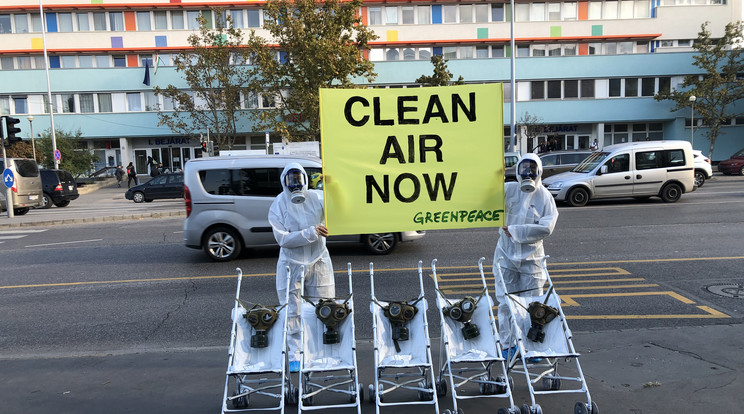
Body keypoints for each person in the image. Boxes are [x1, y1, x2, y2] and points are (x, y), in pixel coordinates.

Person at [268, 163, 335, 373]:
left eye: (298, 178)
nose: (295, 184)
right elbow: (283, 239)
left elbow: (338, 209)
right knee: (292, 312)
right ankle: (296, 356)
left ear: (305, 179)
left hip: (318, 260)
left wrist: (335, 187)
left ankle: (319, 352)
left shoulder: (317, 197)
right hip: (291, 264)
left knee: (323, 308)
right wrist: (310, 232)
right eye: (291, 179)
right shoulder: (278, 204)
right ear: (284, 181)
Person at [493, 153, 559, 351]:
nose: (528, 173)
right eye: (524, 169)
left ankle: (532, 345)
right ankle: (508, 345)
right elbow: (486, 196)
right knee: (506, 303)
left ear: (539, 171)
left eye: (532, 169)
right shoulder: (509, 189)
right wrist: (494, 176)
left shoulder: (544, 197)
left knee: (533, 304)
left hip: (532, 259)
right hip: (506, 255)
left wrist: (515, 231)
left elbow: (547, 227)